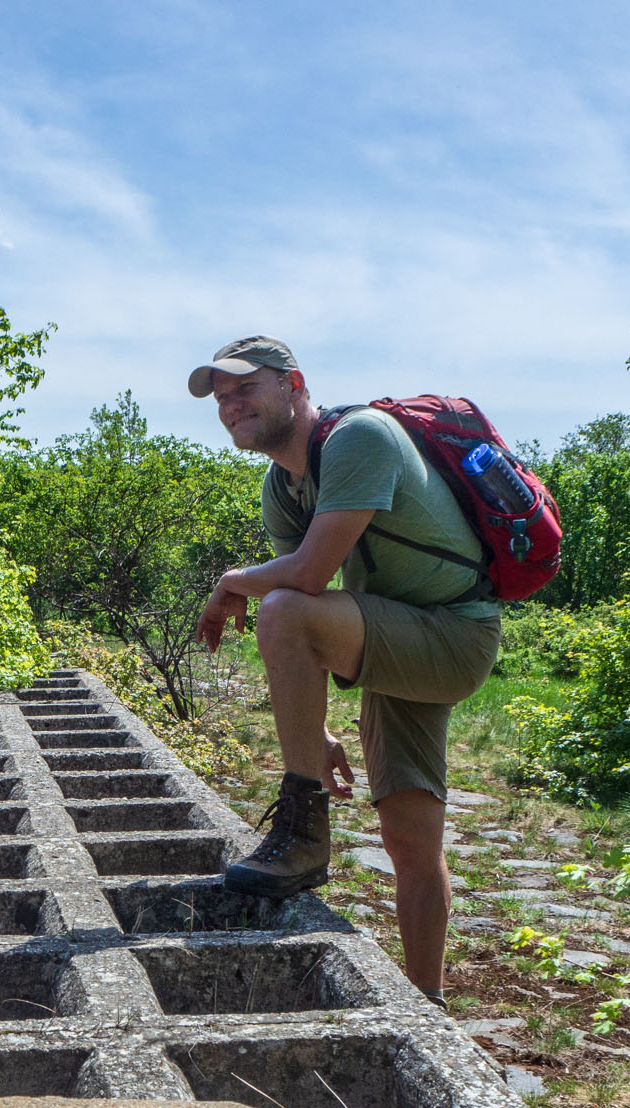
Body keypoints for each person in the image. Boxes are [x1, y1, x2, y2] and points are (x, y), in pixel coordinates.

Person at [190, 336, 498, 1009]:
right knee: (409, 839)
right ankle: (428, 1002)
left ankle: (303, 835)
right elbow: (309, 604)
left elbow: (303, 583)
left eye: (245, 388)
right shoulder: (282, 486)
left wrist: (228, 582)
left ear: (294, 383)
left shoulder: (358, 437)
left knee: (278, 609)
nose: (231, 405)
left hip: (451, 633)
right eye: (221, 398)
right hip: (390, 634)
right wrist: (320, 729)